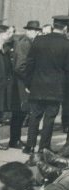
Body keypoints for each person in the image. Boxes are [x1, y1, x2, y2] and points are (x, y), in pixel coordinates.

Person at [21, 15, 69, 154]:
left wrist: (28, 83)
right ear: (65, 28)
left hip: (37, 86)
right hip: (55, 89)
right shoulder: (67, 44)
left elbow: (29, 64)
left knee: (34, 117)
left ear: (54, 25)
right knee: (49, 120)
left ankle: (29, 146)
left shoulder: (39, 40)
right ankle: (44, 147)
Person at [9, 20, 41, 149]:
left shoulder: (28, 43)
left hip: (22, 82)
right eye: (34, 31)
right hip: (21, 83)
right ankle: (14, 140)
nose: (36, 33)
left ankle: (15, 139)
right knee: (19, 112)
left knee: (20, 112)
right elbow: (20, 67)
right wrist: (29, 82)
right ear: (29, 31)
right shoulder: (25, 44)